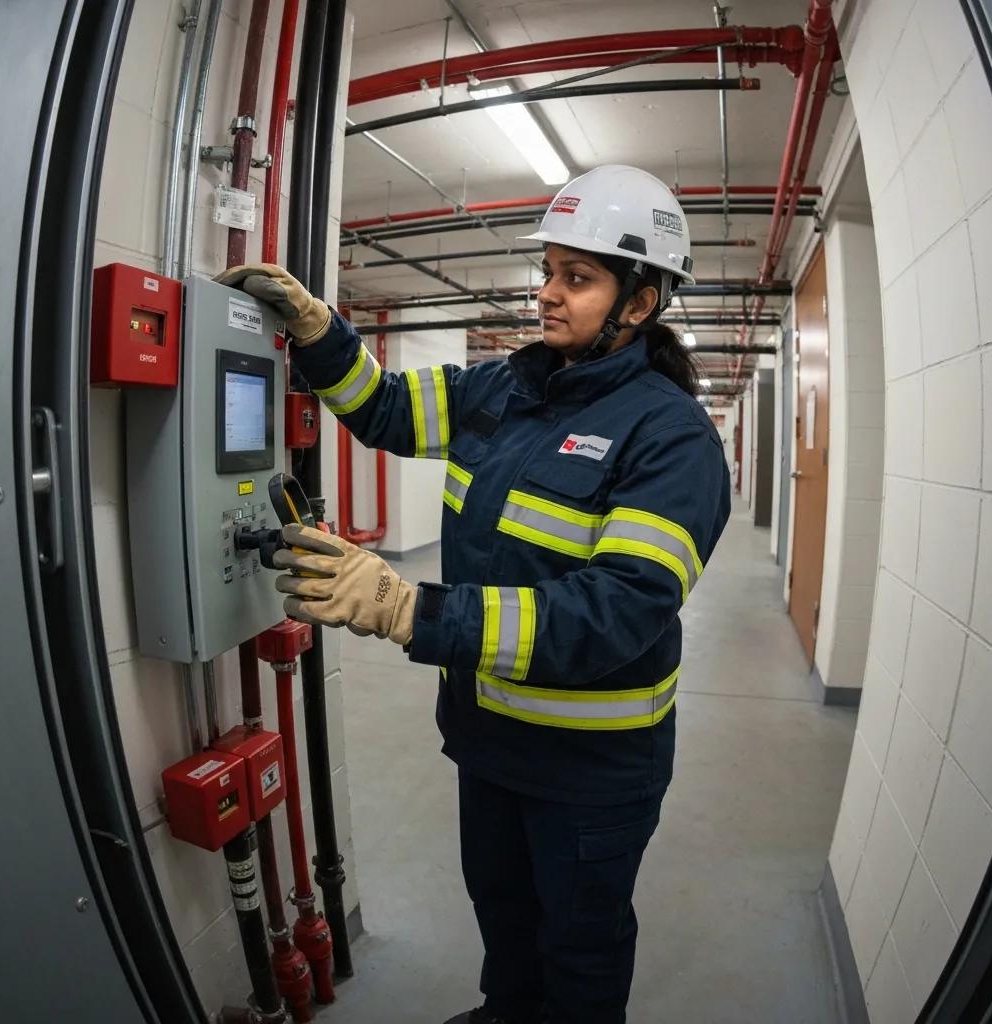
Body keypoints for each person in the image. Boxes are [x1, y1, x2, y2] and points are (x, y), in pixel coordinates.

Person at [216, 164, 732, 1024]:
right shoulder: (504, 389)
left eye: (578, 278)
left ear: (639, 304)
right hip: (489, 743)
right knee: (507, 930)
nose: (549, 295)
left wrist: (409, 608)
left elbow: (615, 613)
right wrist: (317, 331)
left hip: (590, 772)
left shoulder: (671, 438)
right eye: (548, 272)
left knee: (580, 952)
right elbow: (379, 408)